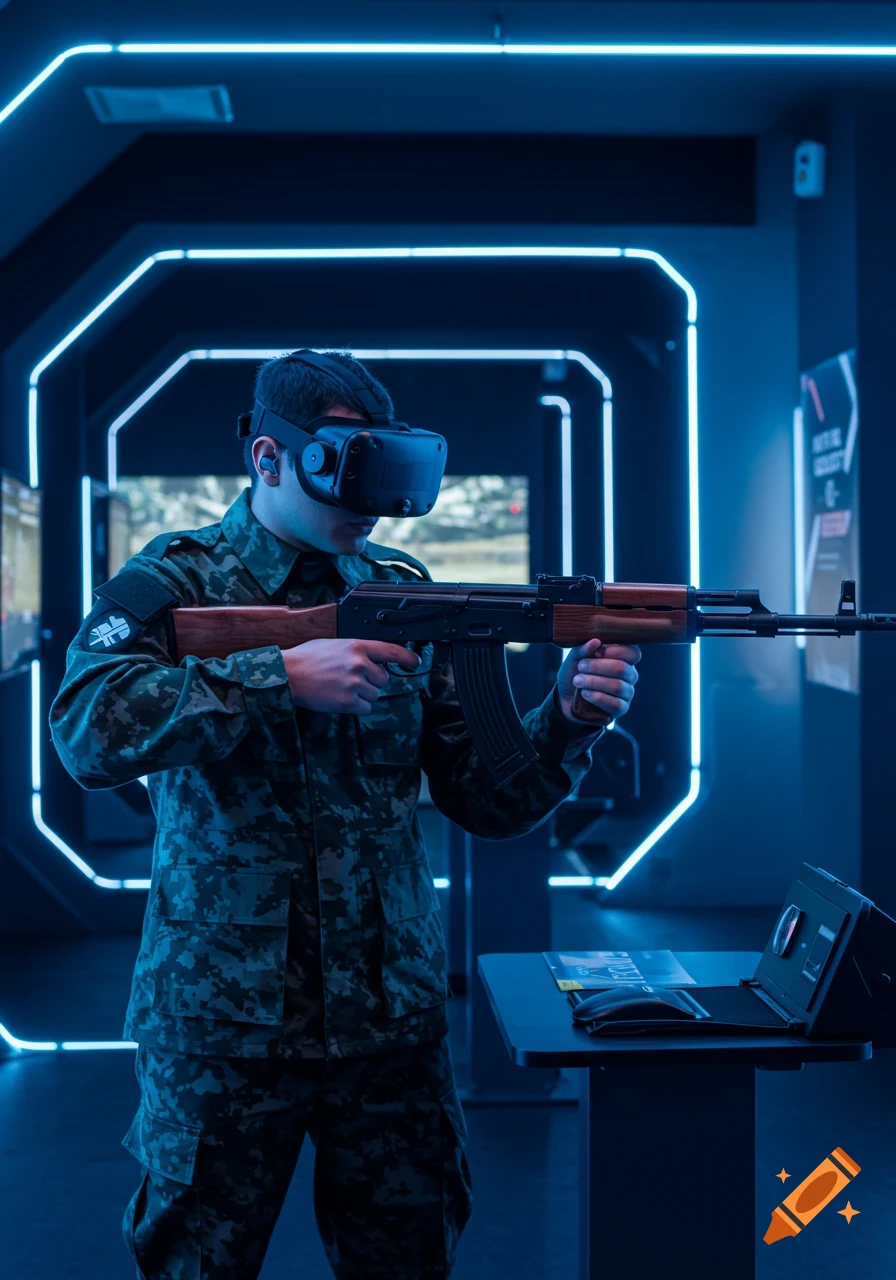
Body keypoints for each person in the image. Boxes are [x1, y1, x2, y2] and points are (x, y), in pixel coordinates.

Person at [49, 350, 641, 1280]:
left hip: (390, 1022)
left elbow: (485, 800)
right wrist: (274, 678)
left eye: (385, 474)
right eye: (344, 471)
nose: (366, 506)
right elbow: (83, 733)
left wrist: (564, 722)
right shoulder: (175, 581)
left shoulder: (406, 588)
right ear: (269, 460)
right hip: (223, 1023)